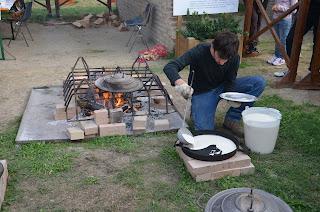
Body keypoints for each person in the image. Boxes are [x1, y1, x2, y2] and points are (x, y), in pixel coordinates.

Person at [164, 32, 266, 136]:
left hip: (223, 86)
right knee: (205, 131)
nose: (222, 62)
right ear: (213, 47)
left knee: (258, 83)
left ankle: (232, 120)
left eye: (225, 59)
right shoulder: (200, 51)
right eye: (219, 57)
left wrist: (231, 96)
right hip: (203, 92)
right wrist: (181, 84)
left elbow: (230, 80)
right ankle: (196, 110)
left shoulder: (233, 56)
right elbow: (170, 67)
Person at [266, 0, 297, 66]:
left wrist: (279, 8)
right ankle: (277, 55)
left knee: (283, 39)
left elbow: (294, 10)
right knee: (277, 39)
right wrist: (274, 7)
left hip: (285, 19)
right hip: (276, 18)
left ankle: (283, 58)